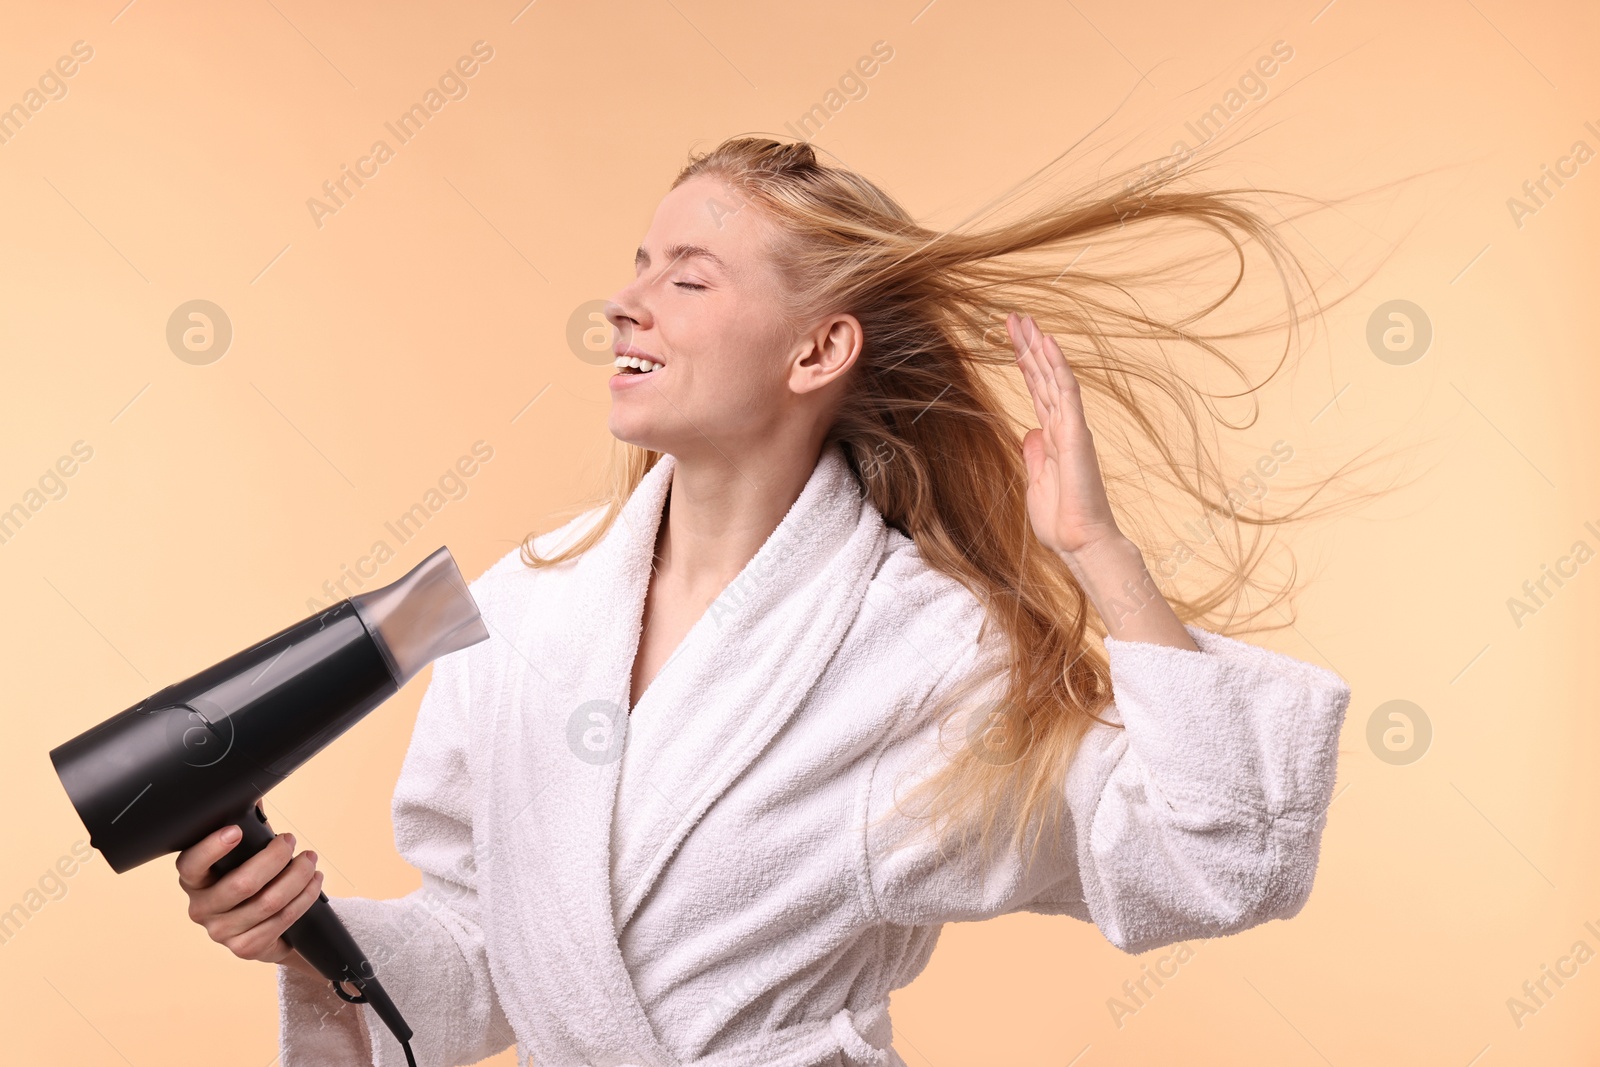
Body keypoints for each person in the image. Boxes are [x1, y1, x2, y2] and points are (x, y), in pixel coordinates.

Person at [175, 137, 1352, 1067]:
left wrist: (1101, 555)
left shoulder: (923, 649)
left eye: (687, 277)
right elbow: (488, 960)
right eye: (638, 265)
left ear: (815, 351)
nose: (626, 304)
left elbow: (1220, 857)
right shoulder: (523, 609)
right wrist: (311, 937)